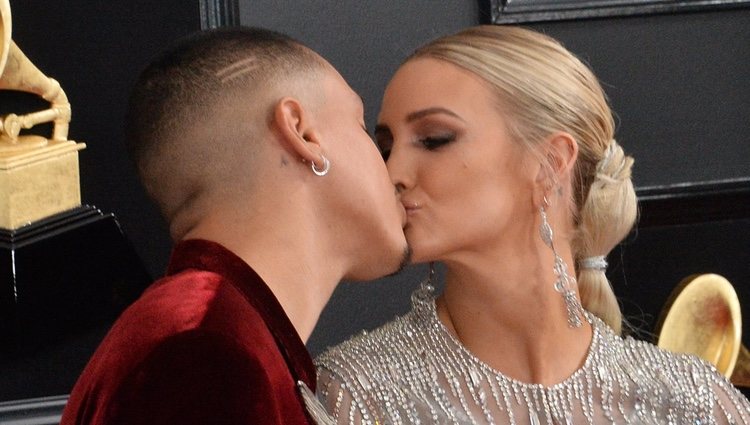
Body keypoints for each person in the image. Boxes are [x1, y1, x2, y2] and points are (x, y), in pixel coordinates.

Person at [315, 25, 750, 424]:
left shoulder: (695, 401)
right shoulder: (356, 395)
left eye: (434, 139)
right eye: (386, 146)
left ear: (550, 163)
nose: (392, 174)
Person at [61, 26, 408, 425]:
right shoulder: (203, 354)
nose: (393, 170)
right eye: (361, 125)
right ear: (302, 132)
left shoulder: (214, 338)